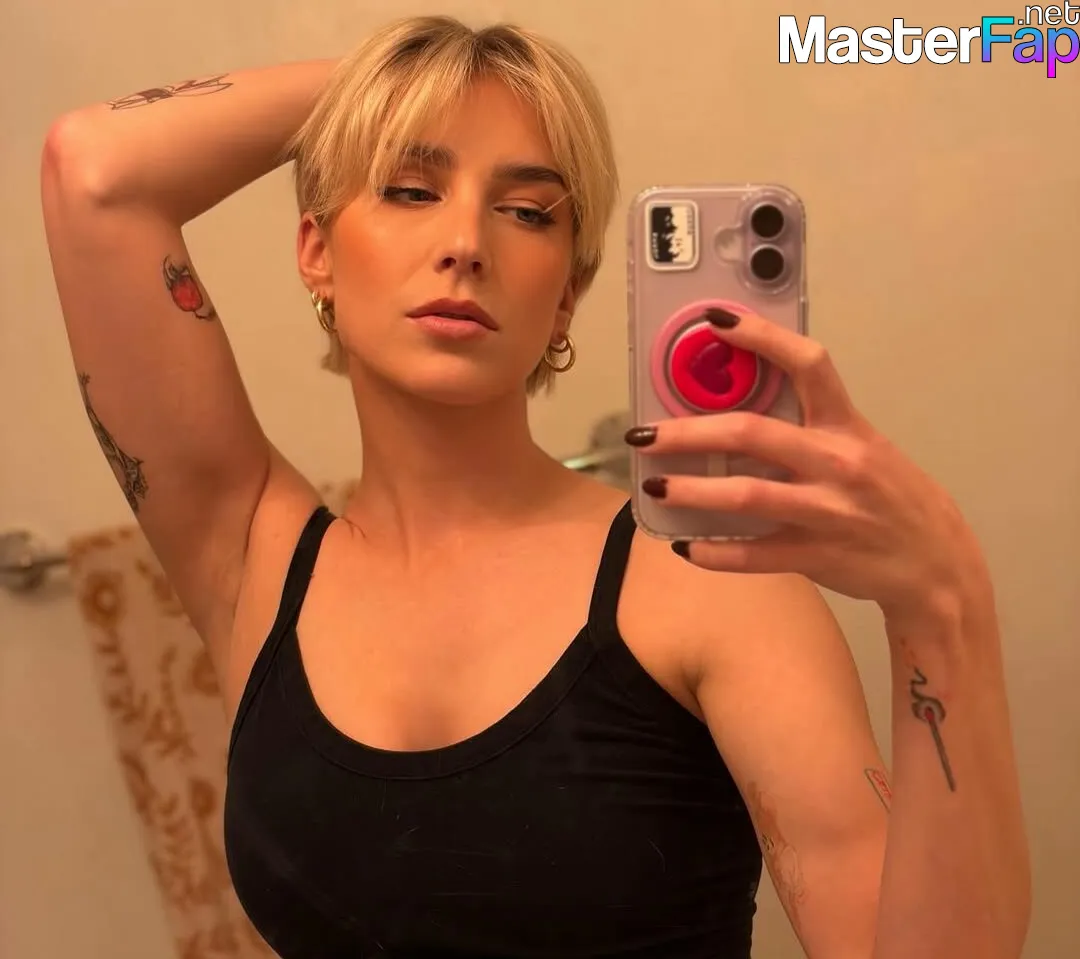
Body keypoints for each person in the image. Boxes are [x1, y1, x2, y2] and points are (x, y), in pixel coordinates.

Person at [41, 14, 1030, 959]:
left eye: (524, 211)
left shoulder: (707, 585)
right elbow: (95, 171)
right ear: (317, 252)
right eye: (411, 189)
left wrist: (942, 600)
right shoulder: (250, 554)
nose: (467, 241)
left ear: (565, 295)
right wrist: (405, 80)